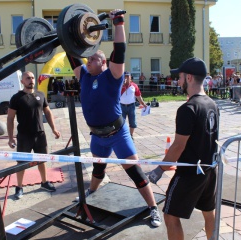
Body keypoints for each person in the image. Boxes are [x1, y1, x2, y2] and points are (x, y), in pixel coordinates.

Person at [66, 9, 162, 227]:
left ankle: (153, 208)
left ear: (103, 63)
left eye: (92, 59)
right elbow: (71, 53)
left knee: (135, 173)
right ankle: (90, 192)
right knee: (98, 170)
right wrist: (64, 35)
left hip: (118, 134)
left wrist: (118, 23)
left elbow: (120, 51)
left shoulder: (113, 75)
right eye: (87, 59)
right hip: (97, 137)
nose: (87, 61)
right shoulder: (84, 77)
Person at [148, 57, 219, 240]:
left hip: (189, 173)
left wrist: (160, 169)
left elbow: (179, 146)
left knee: (170, 216)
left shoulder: (188, 108)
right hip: (209, 170)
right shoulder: (212, 104)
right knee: (208, 211)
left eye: (179, 77)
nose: (177, 81)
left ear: (188, 78)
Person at [7, 71, 61, 199]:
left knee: (42, 160)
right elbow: (10, 118)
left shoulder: (40, 95)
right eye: (27, 78)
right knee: (21, 163)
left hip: (40, 134)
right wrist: (10, 138)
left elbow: (47, 113)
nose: (31, 80)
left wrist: (54, 129)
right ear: (22, 81)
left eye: (32, 78)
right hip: (24, 136)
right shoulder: (16, 98)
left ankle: (44, 182)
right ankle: (19, 187)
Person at [120, 71, 147, 139]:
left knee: (132, 122)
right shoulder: (119, 85)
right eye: (124, 77)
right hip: (122, 106)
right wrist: (121, 85)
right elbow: (115, 95)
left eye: (127, 76)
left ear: (130, 77)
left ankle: (131, 135)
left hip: (131, 106)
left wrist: (143, 104)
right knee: (120, 122)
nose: (126, 78)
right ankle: (121, 136)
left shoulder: (134, 86)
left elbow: (138, 96)